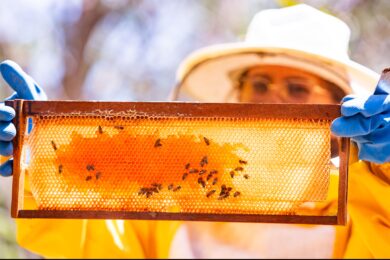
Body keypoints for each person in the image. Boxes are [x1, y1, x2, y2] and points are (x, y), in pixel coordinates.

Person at [0, 4, 389, 258]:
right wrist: (45, 157)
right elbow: (89, 243)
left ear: (340, 111)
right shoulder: (171, 200)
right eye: (258, 84)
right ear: (235, 98)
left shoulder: (362, 208)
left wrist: (385, 174)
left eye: (297, 89)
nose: (272, 99)